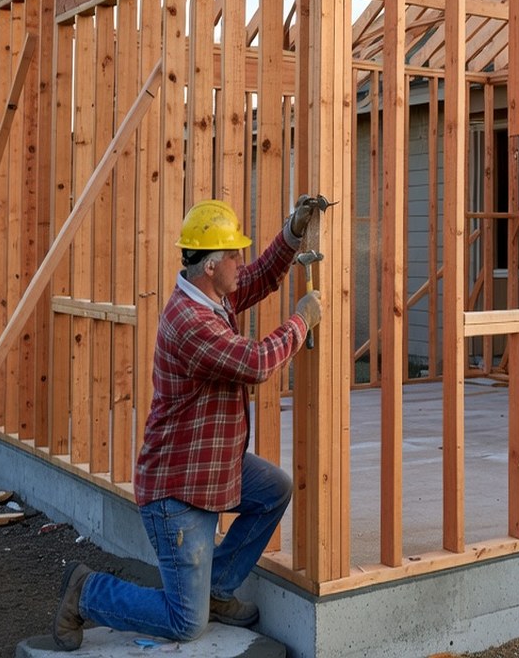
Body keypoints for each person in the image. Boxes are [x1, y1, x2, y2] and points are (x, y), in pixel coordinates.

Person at [51, 197, 324, 648]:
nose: (241, 260)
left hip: (210, 469)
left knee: (274, 488)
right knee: (185, 623)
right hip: (176, 492)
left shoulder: (209, 295)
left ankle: (216, 588)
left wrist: (292, 232)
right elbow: (254, 362)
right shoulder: (190, 321)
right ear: (211, 265)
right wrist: (301, 321)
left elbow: (256, 278)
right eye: (233, 253)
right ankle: (87, 592)